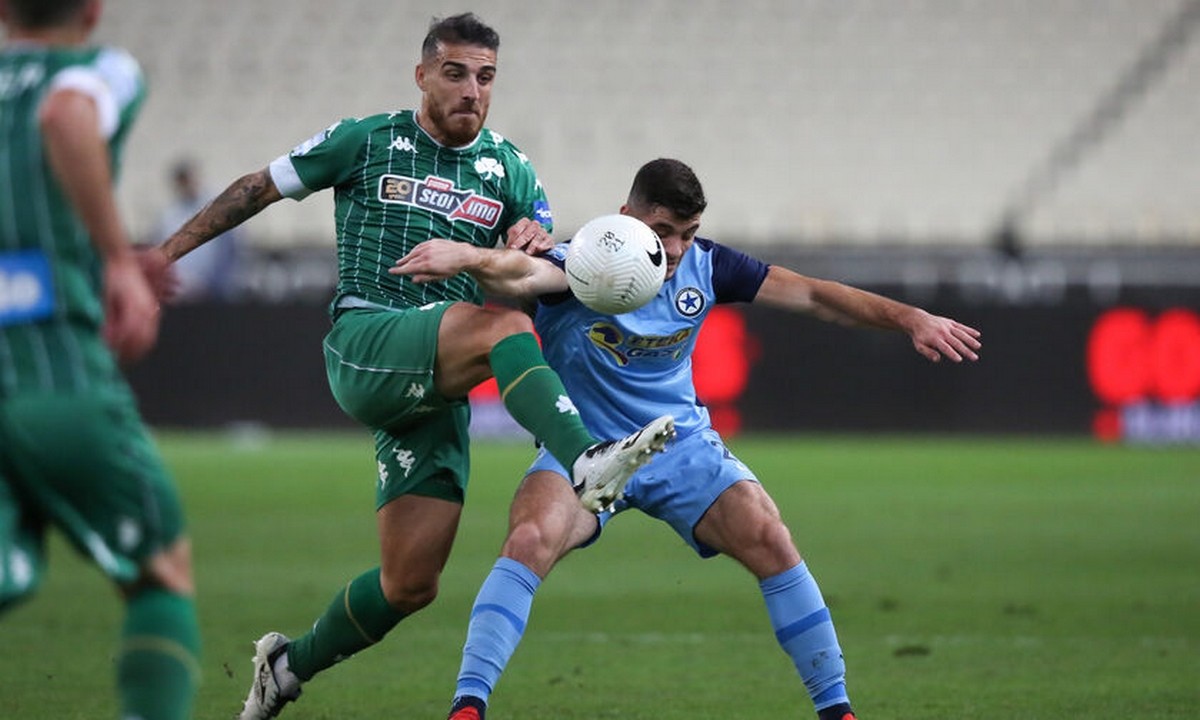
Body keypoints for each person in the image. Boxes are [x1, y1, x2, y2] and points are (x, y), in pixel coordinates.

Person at [147, 13, 674, 719]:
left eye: (485, 77)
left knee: (410, 584)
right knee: (504, 328)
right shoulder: (366, 139)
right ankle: (587, 460)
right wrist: (160, 258)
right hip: (368, 340)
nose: (471, 90)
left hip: (434, 381)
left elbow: (535, 267)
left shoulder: (511, 169)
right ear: (422, 75)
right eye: (455, 73)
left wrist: (530, 240)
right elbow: (255, 189)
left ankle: (286, 666)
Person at [391, 158, 983, 720]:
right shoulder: (586, 263)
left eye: (687, 233)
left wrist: (910, 317)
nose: (674, 249)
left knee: (769, 536)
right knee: (528, 539)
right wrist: (469, 257)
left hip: (679, 444)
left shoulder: (708, 265)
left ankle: (838, 709)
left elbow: (812, 294)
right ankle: (467, 706)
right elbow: (522, 271)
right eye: (662, 231)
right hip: (586, 449)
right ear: (626, 215)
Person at [0, 1, 200, 719]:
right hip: (53, 365)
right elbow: (65, 114)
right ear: (92, 10)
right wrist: (116, 257)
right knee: (160, 573)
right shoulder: (100, 69)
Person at [152, 158, 242, 302]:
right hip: (179, 292)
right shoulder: (169, 216)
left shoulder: (217, 207)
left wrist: (217, 285)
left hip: (212, 292)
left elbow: (229, 251)